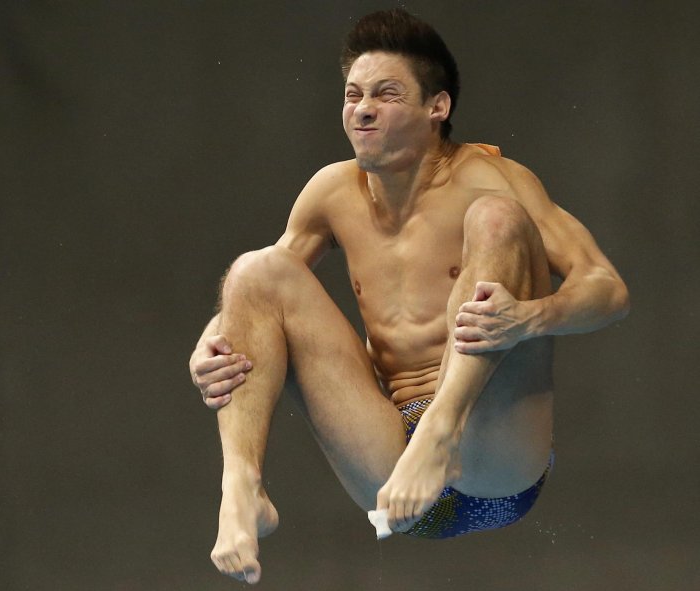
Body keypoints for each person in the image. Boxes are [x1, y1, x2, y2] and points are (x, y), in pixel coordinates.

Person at [187, 8, 629, 586]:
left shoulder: (490, 177)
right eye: (353, 94)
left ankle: (444, 426)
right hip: (393, 467)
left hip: (492, 461)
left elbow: (608, 288)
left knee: (497, 220)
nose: (362, 109)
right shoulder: (330, 192)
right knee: (256, 269)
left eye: (386, 94)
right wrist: (208, 347)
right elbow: (250, 302)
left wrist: (531, 317)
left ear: (436, 108)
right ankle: (242, 486)